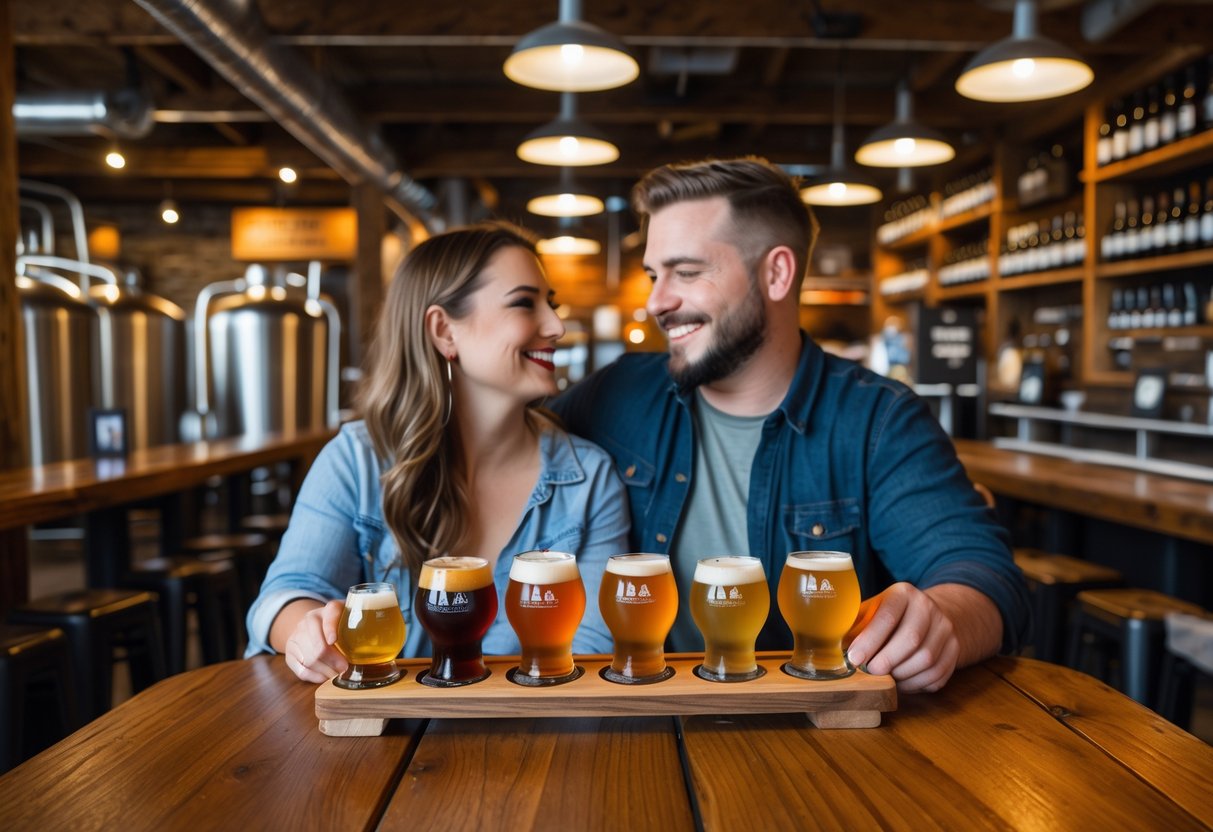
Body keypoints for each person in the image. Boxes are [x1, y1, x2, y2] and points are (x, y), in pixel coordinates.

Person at [551, 157, 1030, 693]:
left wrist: (942, 620)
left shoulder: (876, 420)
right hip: (643, 717)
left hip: (809, 731)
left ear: (776, 273)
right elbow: (505, 440)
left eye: (686, 272)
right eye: (653, 275)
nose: (656, 301)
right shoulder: (620, 393)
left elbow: (985, 577)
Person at [246, 222, 628, 683]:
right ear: (444, 330)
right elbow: (285, 596)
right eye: (525, 303)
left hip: (533, 739)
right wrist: (308, 632)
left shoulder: (588, 477)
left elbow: (591, 650)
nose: (556, 325)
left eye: (552, 303)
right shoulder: (358, 459)